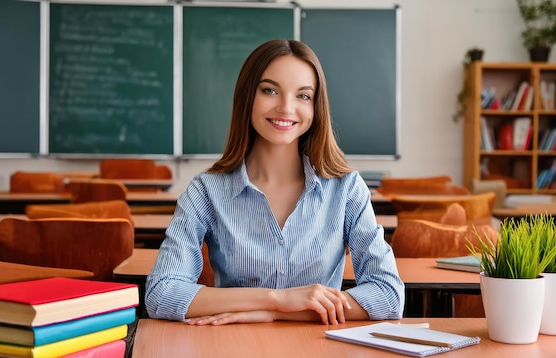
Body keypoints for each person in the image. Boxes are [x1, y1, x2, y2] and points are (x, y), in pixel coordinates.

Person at [145, 39, 404, 325]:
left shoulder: (346, 188)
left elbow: (389, 295)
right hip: (234, 346)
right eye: (270, 90)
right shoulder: (206, 191)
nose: (286, 107)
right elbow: (162, 293)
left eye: (303, 96)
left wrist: (273, 314)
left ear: (316, 106)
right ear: (247, 97)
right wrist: (277, 299)